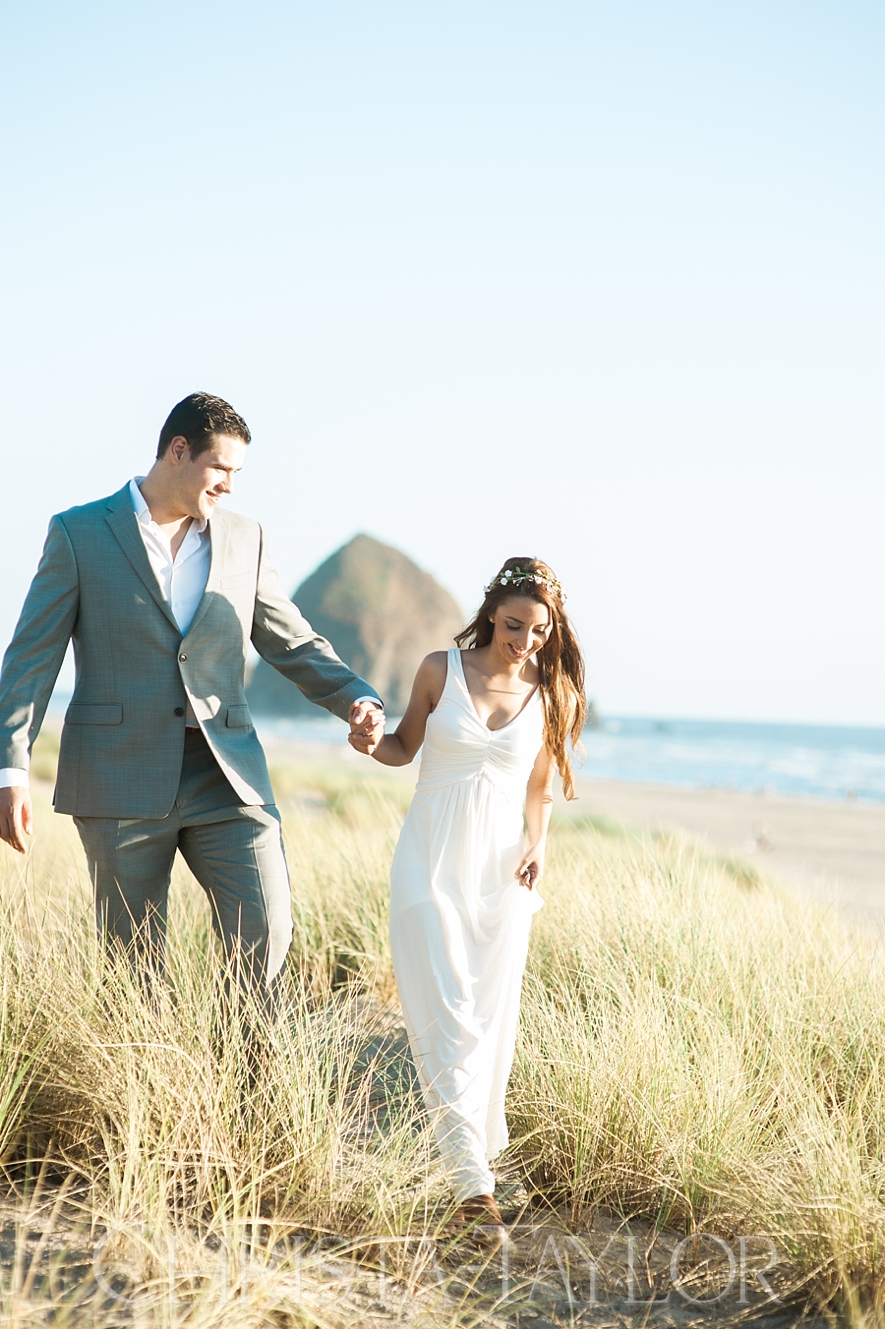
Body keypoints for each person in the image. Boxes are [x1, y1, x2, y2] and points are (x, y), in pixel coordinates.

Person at [0, 392, 384, 1015]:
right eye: (221, 470)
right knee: (133, 969)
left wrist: (356, 696)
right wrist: (11, 768)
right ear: (178, 452)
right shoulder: (78, 533)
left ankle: (249, 1094)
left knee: (265, 932)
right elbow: (31, 658)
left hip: (226, 775)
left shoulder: (245, 538)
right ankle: (152, 1099)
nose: (231, 486)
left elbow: (291, 640)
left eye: (238, 474)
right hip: (118, 776)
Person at [370, 557, 586, 1238]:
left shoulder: (550, 696)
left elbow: (540, 786)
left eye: (537, 631)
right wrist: (367, 737)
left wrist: (537, 843)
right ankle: (471, 1184)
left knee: (481, 1023)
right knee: (444, 1011)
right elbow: (403, 745)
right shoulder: (440, 669)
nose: (523, 640)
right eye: (514, 623)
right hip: (428, 863)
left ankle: (464, 1162)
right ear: (493, 610)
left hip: (498, 875)